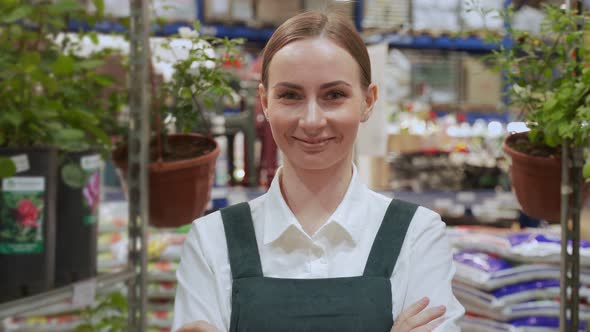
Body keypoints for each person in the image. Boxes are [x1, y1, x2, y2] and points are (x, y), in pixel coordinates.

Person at [172, 10, 464, 332]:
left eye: (334, 95)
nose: (312, 121)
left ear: (368, 101)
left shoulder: (417, 235)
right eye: (290, 95)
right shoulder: (212, 241)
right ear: (265, 102)